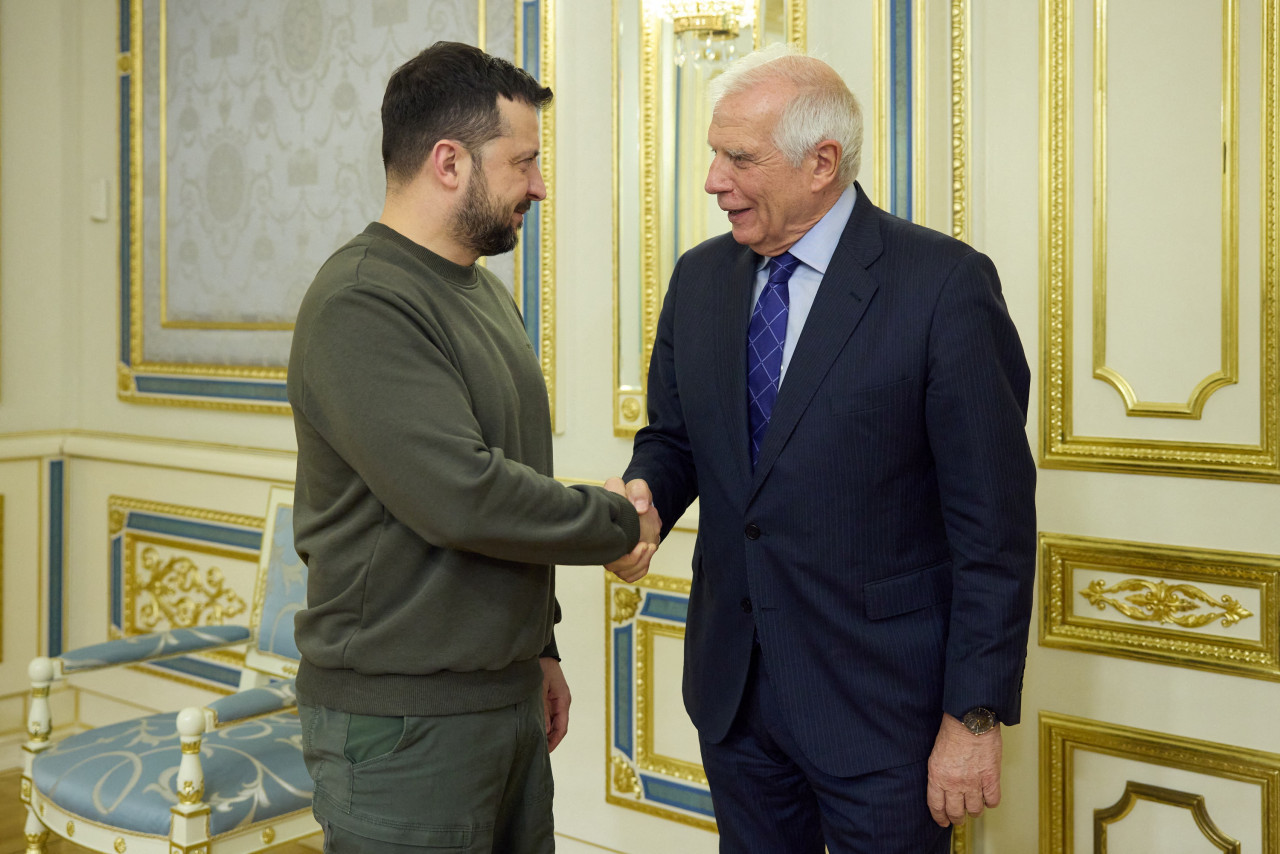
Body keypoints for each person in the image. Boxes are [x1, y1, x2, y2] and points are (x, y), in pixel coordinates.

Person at [609, 44, 1036, 853]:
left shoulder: (943, 286)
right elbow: (675, 440)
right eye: (713, 153)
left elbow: (995, 531)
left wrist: (973, 716)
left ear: (822, 162)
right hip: (735, 696)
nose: (712, 180)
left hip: (883, 710)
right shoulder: (700, 280)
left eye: (738, 157)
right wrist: (644, 500)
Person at [287, 41, 658, 853]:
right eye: (522, 161)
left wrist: (541, 647)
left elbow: (511, 477)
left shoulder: (481, 293)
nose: (539, 184)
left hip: (501, 698)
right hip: (403, 727)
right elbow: (463, 494)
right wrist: (618, 522)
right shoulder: (362, 302)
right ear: (449, 161)